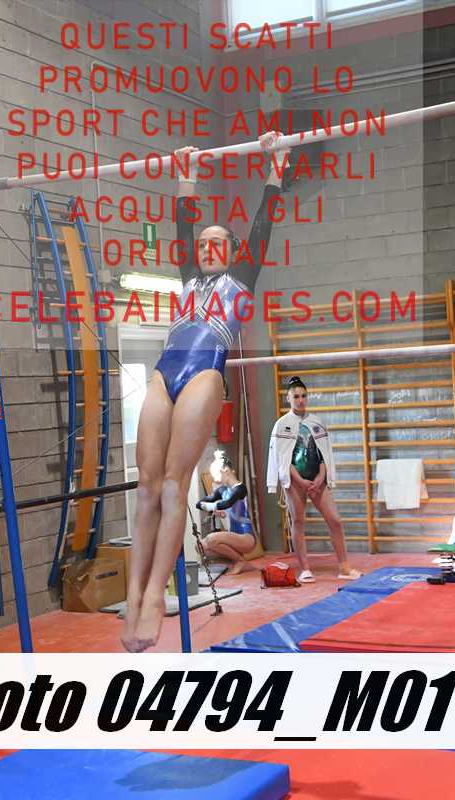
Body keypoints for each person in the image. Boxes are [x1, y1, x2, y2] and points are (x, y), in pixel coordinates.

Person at [122, 132, 292, 652]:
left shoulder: (241, 279)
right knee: (147, 486)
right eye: (203, 244)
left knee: (175, 485)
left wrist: (276, 167)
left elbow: (263, 225)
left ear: (234, 252)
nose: (207, 247)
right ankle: (134, 594)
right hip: (165, 370)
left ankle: (155, 595)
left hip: (204, 372)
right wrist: (185, 175)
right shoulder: (189, 279)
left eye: (218, 242)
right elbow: (182, 226)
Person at [267, 376, 361, 584]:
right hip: (295, 481)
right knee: (299, 521)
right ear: (288, 398)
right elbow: (282, 459)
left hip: (318, 480)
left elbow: (324, 454)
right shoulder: (281, 425)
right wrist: (300, 481)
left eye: (303, 396)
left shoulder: (317, 422)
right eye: (296, 397)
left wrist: (320, 478)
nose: (300, 400)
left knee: (335, 521)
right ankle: (305, 569)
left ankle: (344, 567)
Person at [196, 450, 257, 575]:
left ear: (225, 470)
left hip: (246, 538)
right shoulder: (222, 490)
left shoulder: (240, 488)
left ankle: (240, 561)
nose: (214, 478)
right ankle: (234, 561)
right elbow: (200, 503)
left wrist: (211, 506)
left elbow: (227, 503)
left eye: (215, 474)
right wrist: (213, 507)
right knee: (200, 546)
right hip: (232, 536)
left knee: (211, 539)